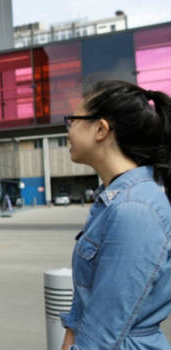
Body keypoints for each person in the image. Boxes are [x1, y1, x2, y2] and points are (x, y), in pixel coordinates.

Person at [61, 80, 171, 350]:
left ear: (100, 129)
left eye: (72, 121)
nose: (68, 132)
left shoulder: (134, 209)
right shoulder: (112, 199)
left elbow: (102, 334)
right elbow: (86, 310)